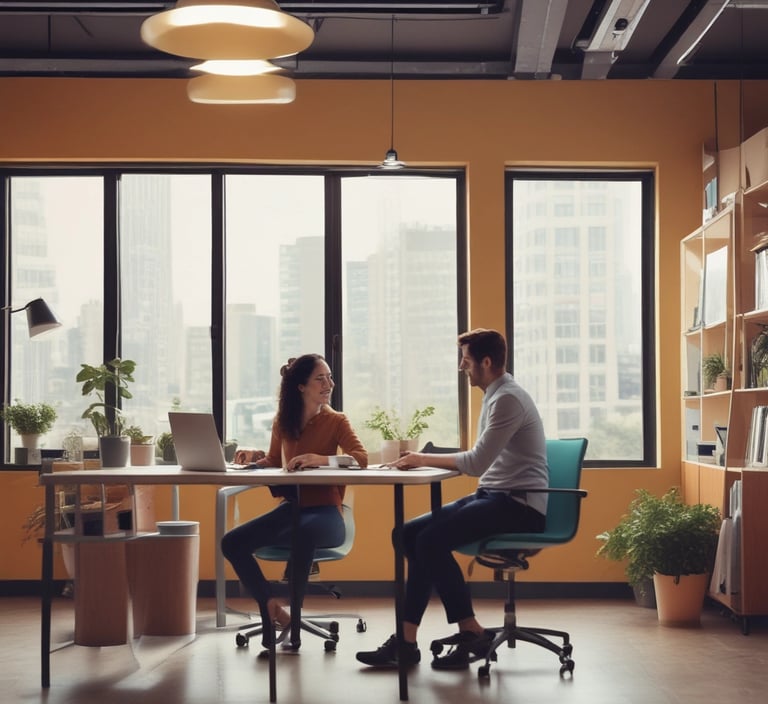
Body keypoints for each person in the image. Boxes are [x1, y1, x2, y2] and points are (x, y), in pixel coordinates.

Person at [356, 328, 548, 671]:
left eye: (466, 359)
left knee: (429, 541)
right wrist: (426, 455)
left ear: (486, 362)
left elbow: (475, 463)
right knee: (407, 535)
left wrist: (420, 458)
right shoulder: (495, 393)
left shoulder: (507, 399)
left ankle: (466, 631)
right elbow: (480, 459)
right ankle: (409, 640)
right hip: (494, 495)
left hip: (520, 506)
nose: (462, 366)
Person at [220, 353, 367, 643]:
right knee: (232, 542)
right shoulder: (283, 422)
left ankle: (296, 622)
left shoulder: (336, 421)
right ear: (301, 386)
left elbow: (360, 459)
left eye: (330, 377)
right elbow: (275, 461)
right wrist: (253, 459)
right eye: (320, 378)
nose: (329, 384)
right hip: (291, 509)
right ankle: (272, 605)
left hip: (326, 514)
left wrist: (322, 460)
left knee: (304, 531)